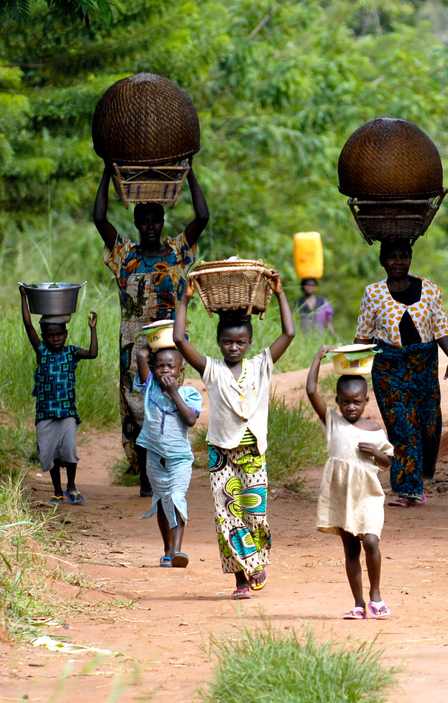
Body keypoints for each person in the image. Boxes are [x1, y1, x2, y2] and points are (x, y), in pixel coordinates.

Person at [173, 272, 296, 599]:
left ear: (250, 342)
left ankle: (257, 561)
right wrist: (184, 300)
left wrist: (279, 293)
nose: (233, 347)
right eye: (227, 342)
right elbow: (180, 341)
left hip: (253, 454)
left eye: (240, 342)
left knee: (254, 513)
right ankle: (241, 580)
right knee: (228, 518)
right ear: (219, 342)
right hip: (221, 457)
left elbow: (289, 332)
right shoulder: (211, 369)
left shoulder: (261, 366)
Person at [93, 164, 209, 497]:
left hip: (171, 344)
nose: (150, 226)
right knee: (137, 407)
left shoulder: (176, 253)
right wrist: (106, 172)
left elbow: (202, 217)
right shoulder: (124, 256)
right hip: (133, 343)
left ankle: (168, 470)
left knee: (167, 404)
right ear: (136, 223)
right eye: (144, 221)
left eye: (155, 220)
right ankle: (146, 477)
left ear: (162, 221)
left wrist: (191, 173)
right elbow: (99, 218)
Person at [354, 238, 448, 508]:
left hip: (424, 364)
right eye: (392, 256)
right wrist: (352, 370)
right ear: (382, 261)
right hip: (388, 366)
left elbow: (440, 327)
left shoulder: (430, 289)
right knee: (402, 426)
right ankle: (408, 489)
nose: (398, 261)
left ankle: (418, 477)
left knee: (428, 425)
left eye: (404, 256)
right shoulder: (373, 293)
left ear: (411, 258)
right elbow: (363, 337)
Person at [305, 347, 395, 619]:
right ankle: (358, 603)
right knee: (351, 550)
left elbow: (387, 462)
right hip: (341, 496)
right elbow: (311, 392)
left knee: (370, 542)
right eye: (345, 402)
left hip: (366, 495)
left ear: (366, 400)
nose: (351, 407)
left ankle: (376, 595)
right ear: (337, 401)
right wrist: (317, 358)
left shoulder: (375, 429)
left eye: (356, 402)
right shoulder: (333, 421)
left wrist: (377, 453)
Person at [19, 286, 98, 505]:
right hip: (45, 412)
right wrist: (24, 297)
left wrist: (93, 329)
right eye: (50, 335)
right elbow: (28, 324)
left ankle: (71, 486)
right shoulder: (41, 351)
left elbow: (92, 354)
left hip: (67, 412)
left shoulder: (71, 352)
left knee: (69, 451)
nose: (55, 339)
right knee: (49, 452)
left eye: (59, 334)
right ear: (43, 337)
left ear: (66, 334)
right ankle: (56, 490)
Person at [134, 341, 202, 568]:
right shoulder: (150, 388)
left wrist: (174, 393)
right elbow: (142, 357)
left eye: (170, 366)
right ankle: (167, 548)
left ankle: (177, 550)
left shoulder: (189, 394)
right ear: (153, 369)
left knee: (176, 498)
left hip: (180, 459)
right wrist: (151, 344)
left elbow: (191, 420)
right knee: (163, 502)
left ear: (180, 371)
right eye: (160, 366)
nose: (165, 370)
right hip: (154, 457)